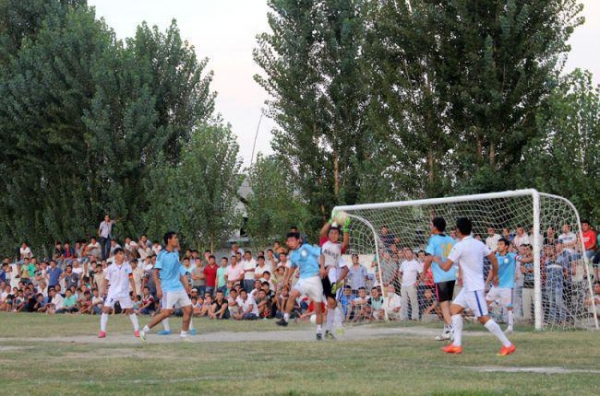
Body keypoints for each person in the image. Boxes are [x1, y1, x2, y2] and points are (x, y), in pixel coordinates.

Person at [435, 217, 516, 356]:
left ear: (458, 230)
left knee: (483, 318)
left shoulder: (459, 246)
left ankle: (508, 345)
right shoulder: (478, 244)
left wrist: (437, 260)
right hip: (468, 288)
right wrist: (495, 274)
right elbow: (494, 259)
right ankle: (456, 345)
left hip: (474, 288)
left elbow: (446, 267)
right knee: (454, 310)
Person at [140, 232, 193, 341]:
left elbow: (179, 269)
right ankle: (144, 330)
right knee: (166, 313)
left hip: (178, 287)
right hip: (168, 288)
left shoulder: (176, 253)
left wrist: (186, 285)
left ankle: (183, 336)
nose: (177, 240)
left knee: (189, 309)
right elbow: (155, 272)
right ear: (169, 240)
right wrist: (159, 288)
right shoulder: (162, 255)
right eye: (175, 238)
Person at [276, 232, 325, 341]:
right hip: (303, 279)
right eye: (288, 241)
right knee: (292, 295)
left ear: (299, 240)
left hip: (315, 279)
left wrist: (322, 267)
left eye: (292, 240)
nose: (290, 243)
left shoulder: (306, 247)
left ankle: (319, 331)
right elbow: (293, 266)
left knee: (318, 309)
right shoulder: (292, 254)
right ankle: (285, 319)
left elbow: (321, 253)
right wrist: (286, 279)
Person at [420, 217, 456, 341]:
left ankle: (453, 330)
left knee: (444, 306)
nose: (430, 227)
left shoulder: (433, 240)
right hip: (451, 275)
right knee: (447, 304)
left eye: (431, 225)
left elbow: (429, 258)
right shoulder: (450, 239)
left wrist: (423, 273)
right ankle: (446, 331)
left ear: (435, 227)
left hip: (441, 277)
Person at [319, 216, 350, 339]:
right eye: (331, 233)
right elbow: (322, 232)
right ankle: (338, 327)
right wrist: (331, 221)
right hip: (322, 276)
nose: (333, 235)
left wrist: (346, 228)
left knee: (332, 305)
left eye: (336, 233)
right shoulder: (324, 243)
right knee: (330, 267)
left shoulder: (338, 248)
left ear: (338, 235)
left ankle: (328, 331)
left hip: (332, 278)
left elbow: (346, 244)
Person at [98, 248, 139, 338]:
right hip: (113, 292)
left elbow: (131, 279)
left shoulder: (128, 267)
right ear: (115, 255)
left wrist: (135, 292)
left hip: (124, 293)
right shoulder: (110, 268)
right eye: (120, 253)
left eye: (123, 254)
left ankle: (137, 331)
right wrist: (102, 290)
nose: (123, 255)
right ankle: (102, 331)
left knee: (131, 310)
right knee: (105, 309)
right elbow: (106, 280)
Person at [485, 238, 517, 333]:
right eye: (498, 244)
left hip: (507, 286)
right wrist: (486, 283)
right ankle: (488, 321)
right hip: (496, 286)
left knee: (508, 307)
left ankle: (510, 327)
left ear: (506, 246)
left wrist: (532, 257)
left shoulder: (512, 256)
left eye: (501, 244)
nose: (499, 246)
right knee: (485, 303)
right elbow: (491, 271)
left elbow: (522, 259)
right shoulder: (496, 256)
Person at [399, 248, 422, 321]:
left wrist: (418, 281)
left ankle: (415, 317)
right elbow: (399, 272)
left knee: (413, 301)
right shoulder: (403, 263)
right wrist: (400, 279)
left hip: (412, 285)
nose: (408, 255)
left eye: (409, 253)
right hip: (403, 285)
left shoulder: (416, 263)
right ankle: (404, 318)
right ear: (405, 254)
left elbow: (421, 273)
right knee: (404, 301)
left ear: (412, 254)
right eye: (406, 253)